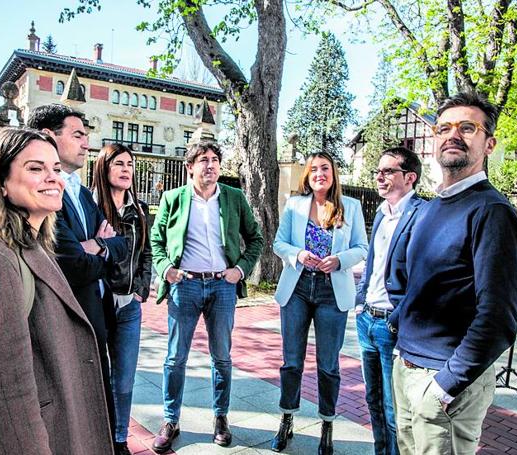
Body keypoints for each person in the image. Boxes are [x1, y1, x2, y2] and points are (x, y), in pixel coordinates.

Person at [0, 127, 113, 454]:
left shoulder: (30, 244)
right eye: (35, 168)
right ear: (2, 183)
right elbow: (2, 398)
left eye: (54, 169)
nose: (53, 178)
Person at [388, 92, 517, 455]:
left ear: (489, 144)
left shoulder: (493, 213)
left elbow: (498, 318)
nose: (453, 134)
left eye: (468, 128)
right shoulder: (432, 208)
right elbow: (410, 283)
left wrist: (446, 384)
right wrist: (399, 331)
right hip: (406, 369)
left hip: (445, 382)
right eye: (444, 127)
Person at [150, 140, 263, 453]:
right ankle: (170, 420)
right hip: (184, 286)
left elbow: (255, 238)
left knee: (222, 357)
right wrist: (165, 269)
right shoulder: (172, 198)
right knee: (175, 357)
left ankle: (221, 418)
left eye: (214, 160)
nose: (210, 165)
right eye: (203, 160)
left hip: (221, 287)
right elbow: (156, 240)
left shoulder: (234, 197)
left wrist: (240, 269)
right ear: (190, 167)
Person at [27, 104, 129, 437]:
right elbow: (74, 265)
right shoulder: (43, 195)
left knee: (98, 405)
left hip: (97, 314)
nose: (87, 143)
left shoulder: (83, 194)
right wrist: (98, 248)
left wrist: (95, 246)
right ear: (48, 137)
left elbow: (121, 244)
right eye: (78, 135)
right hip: (68, 319)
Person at [272, 151, 368, 455]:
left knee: (328, 365)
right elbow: (279, 243)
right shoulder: (295, 204)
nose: (319, 173)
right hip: (297, 287)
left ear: (333, 173)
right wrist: (298, 255)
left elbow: (361, 247)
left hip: (331, 291)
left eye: (325, 168)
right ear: (307, 174)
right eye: (313, 169)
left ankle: (327, 424)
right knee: (292, 362)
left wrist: (339, 260)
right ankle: (286, 418)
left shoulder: (350, 207)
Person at [355, 147, 424, 455]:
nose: (379, 177)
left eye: (387, 171)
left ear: (409, 178)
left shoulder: (421, 215)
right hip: (366, 320)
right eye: (377, 172)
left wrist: (397, 319)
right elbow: (372, 265)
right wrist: (360, 303)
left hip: (390, 324)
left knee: (393, 407)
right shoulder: (382, 213)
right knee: (372, 400)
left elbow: (423, 276)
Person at [92, 143, 152, 455]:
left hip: (129, 306)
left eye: (130, 163)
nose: (126, 169)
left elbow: (147, 254)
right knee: (94, 374)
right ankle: (95, 435)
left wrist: (141, 289)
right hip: (97, 304)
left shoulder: (139, 209)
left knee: (124, 379)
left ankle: (119, 439)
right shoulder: (90, 207)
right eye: (119, 163)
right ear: (104, 167)